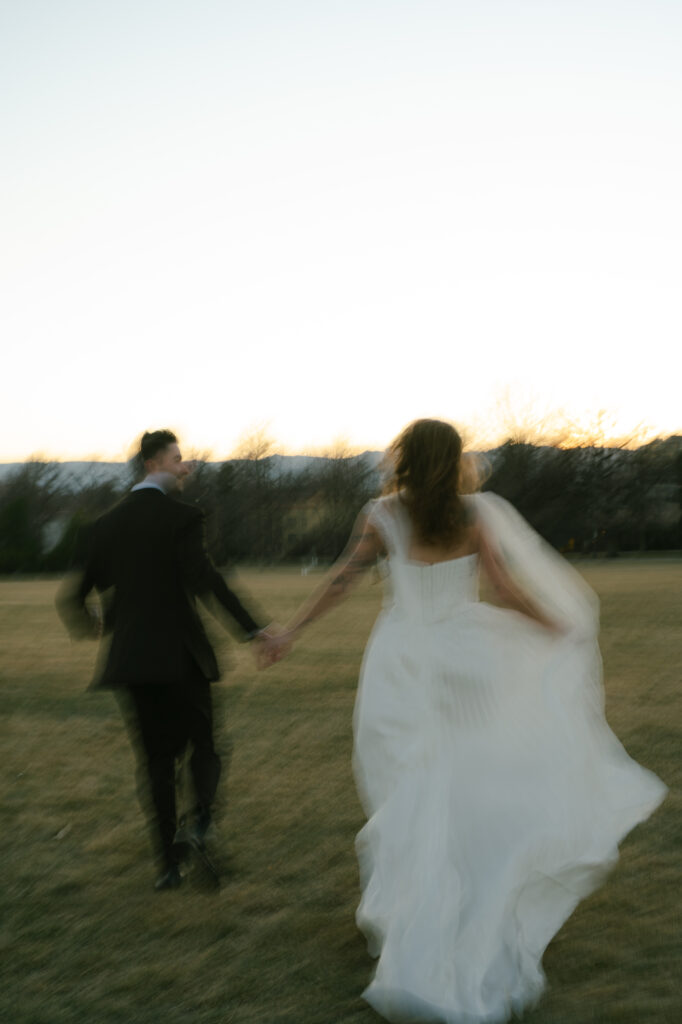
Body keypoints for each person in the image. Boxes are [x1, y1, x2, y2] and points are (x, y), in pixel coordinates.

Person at [276, 419, 667, 1024]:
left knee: (414, 785)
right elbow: (505, 590)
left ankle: (427, 905)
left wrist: (290, 632)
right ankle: (474, 893)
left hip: (404, 664)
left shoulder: (382, 515)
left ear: (403, 457)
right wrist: (553, 624)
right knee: (469, 779)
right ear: (456, 460)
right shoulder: (473, 515)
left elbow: (341, 580)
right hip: (469, 657)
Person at [57, 429, 281, 890]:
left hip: (131, 663)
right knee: (205, 744)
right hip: (180, 657)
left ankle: (167, 868)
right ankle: (198, 822)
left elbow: (74, 597)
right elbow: (206, 581)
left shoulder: (104, 526)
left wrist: (94, 622)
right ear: (153, 463)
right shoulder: (183, 517)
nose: (187, 468)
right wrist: (253, 630)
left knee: (156, 763)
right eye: (179, 459)